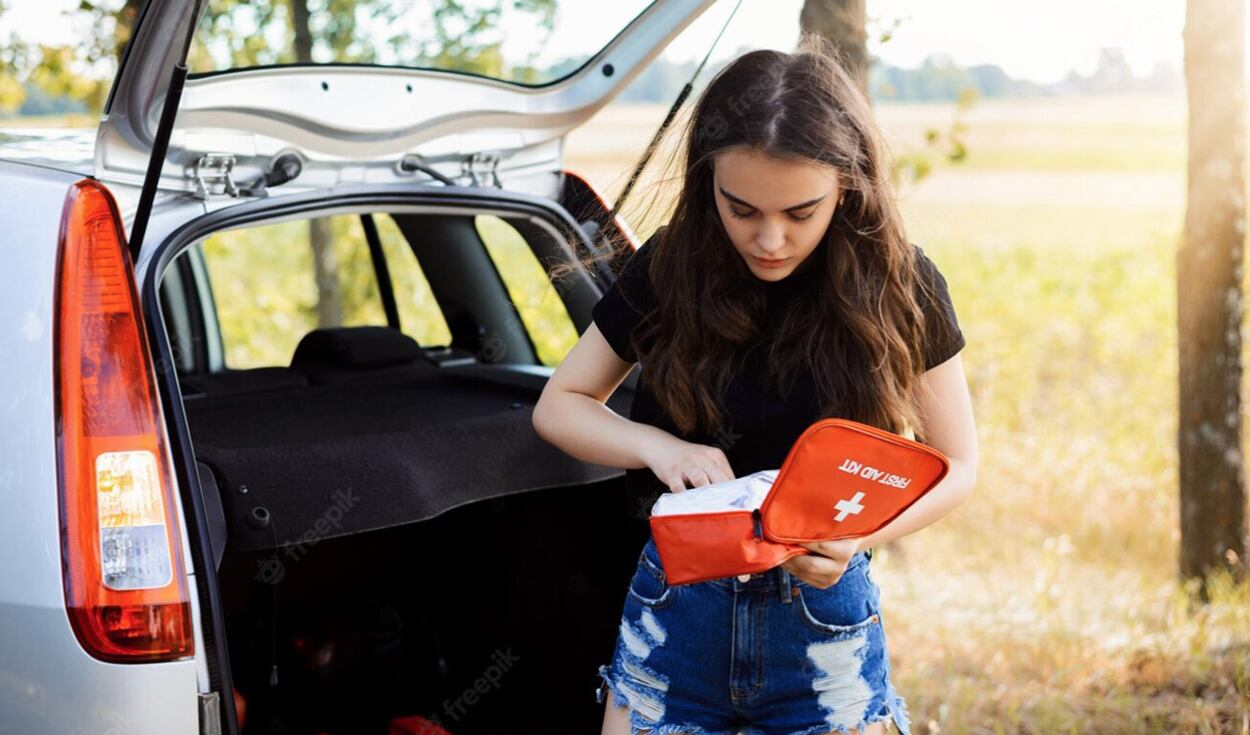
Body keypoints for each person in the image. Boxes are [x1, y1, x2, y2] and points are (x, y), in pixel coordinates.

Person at [531, 34, 978, 735]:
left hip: (821, 624)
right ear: (708, 180)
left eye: (800, 213)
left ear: (847, 184)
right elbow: (560, 405)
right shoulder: (670, 267)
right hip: (677, 612)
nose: (770, 239)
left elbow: (958, 463)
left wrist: (860, 536)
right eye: (742, 209)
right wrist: (656, 445)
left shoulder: (900, 281)